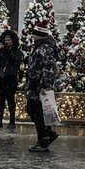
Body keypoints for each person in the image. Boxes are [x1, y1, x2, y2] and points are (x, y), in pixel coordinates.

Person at [25, 24, 59, 153]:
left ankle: (44, 139)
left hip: (39, 86)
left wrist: (45, 85)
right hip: (35, 85)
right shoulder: (40, 47)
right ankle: (47, 134)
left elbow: (48, 68)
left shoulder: (45, 48)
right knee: (34, 110)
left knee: (38, 112)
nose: (32, 36)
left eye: (34, 33)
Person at [0, 29, 22, 129]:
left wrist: (7, 51)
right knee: (0, 100)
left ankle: (12, 121)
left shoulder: (16, 51)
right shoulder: (2, 49)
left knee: (10, 99)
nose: (7, 42)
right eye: (5, 40)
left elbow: (16, 61)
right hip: (1, 78)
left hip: (11, 77)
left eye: (8, 40)